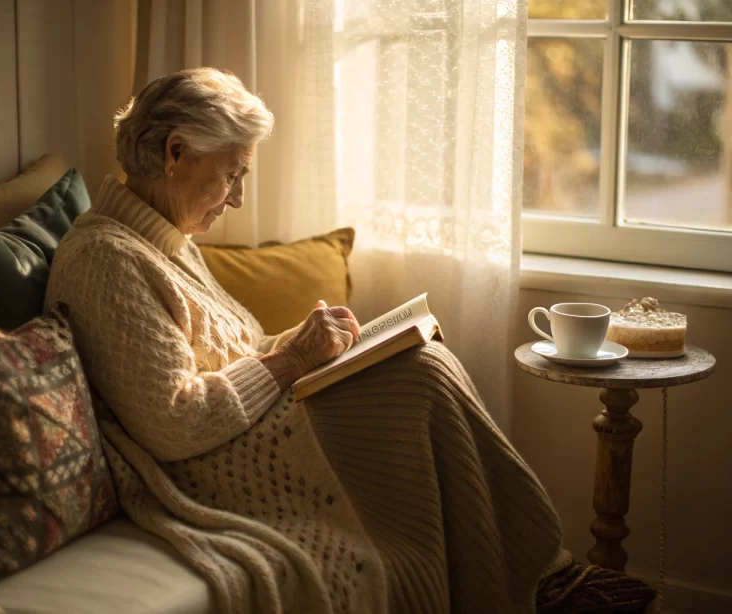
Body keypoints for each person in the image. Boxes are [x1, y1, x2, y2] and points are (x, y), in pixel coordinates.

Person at [46, 67, 562, 614]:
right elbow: (178, 420)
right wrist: (293, 358)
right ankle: (539, 577)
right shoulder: (105, 259)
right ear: (176, 153)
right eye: (231, 175)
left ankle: (524, 575)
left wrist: (304, 341)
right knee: (422, 376)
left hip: (264, 413)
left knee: (421, 359)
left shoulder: (167, 239)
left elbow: (234, 350)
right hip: (212, 459)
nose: (238, 198)